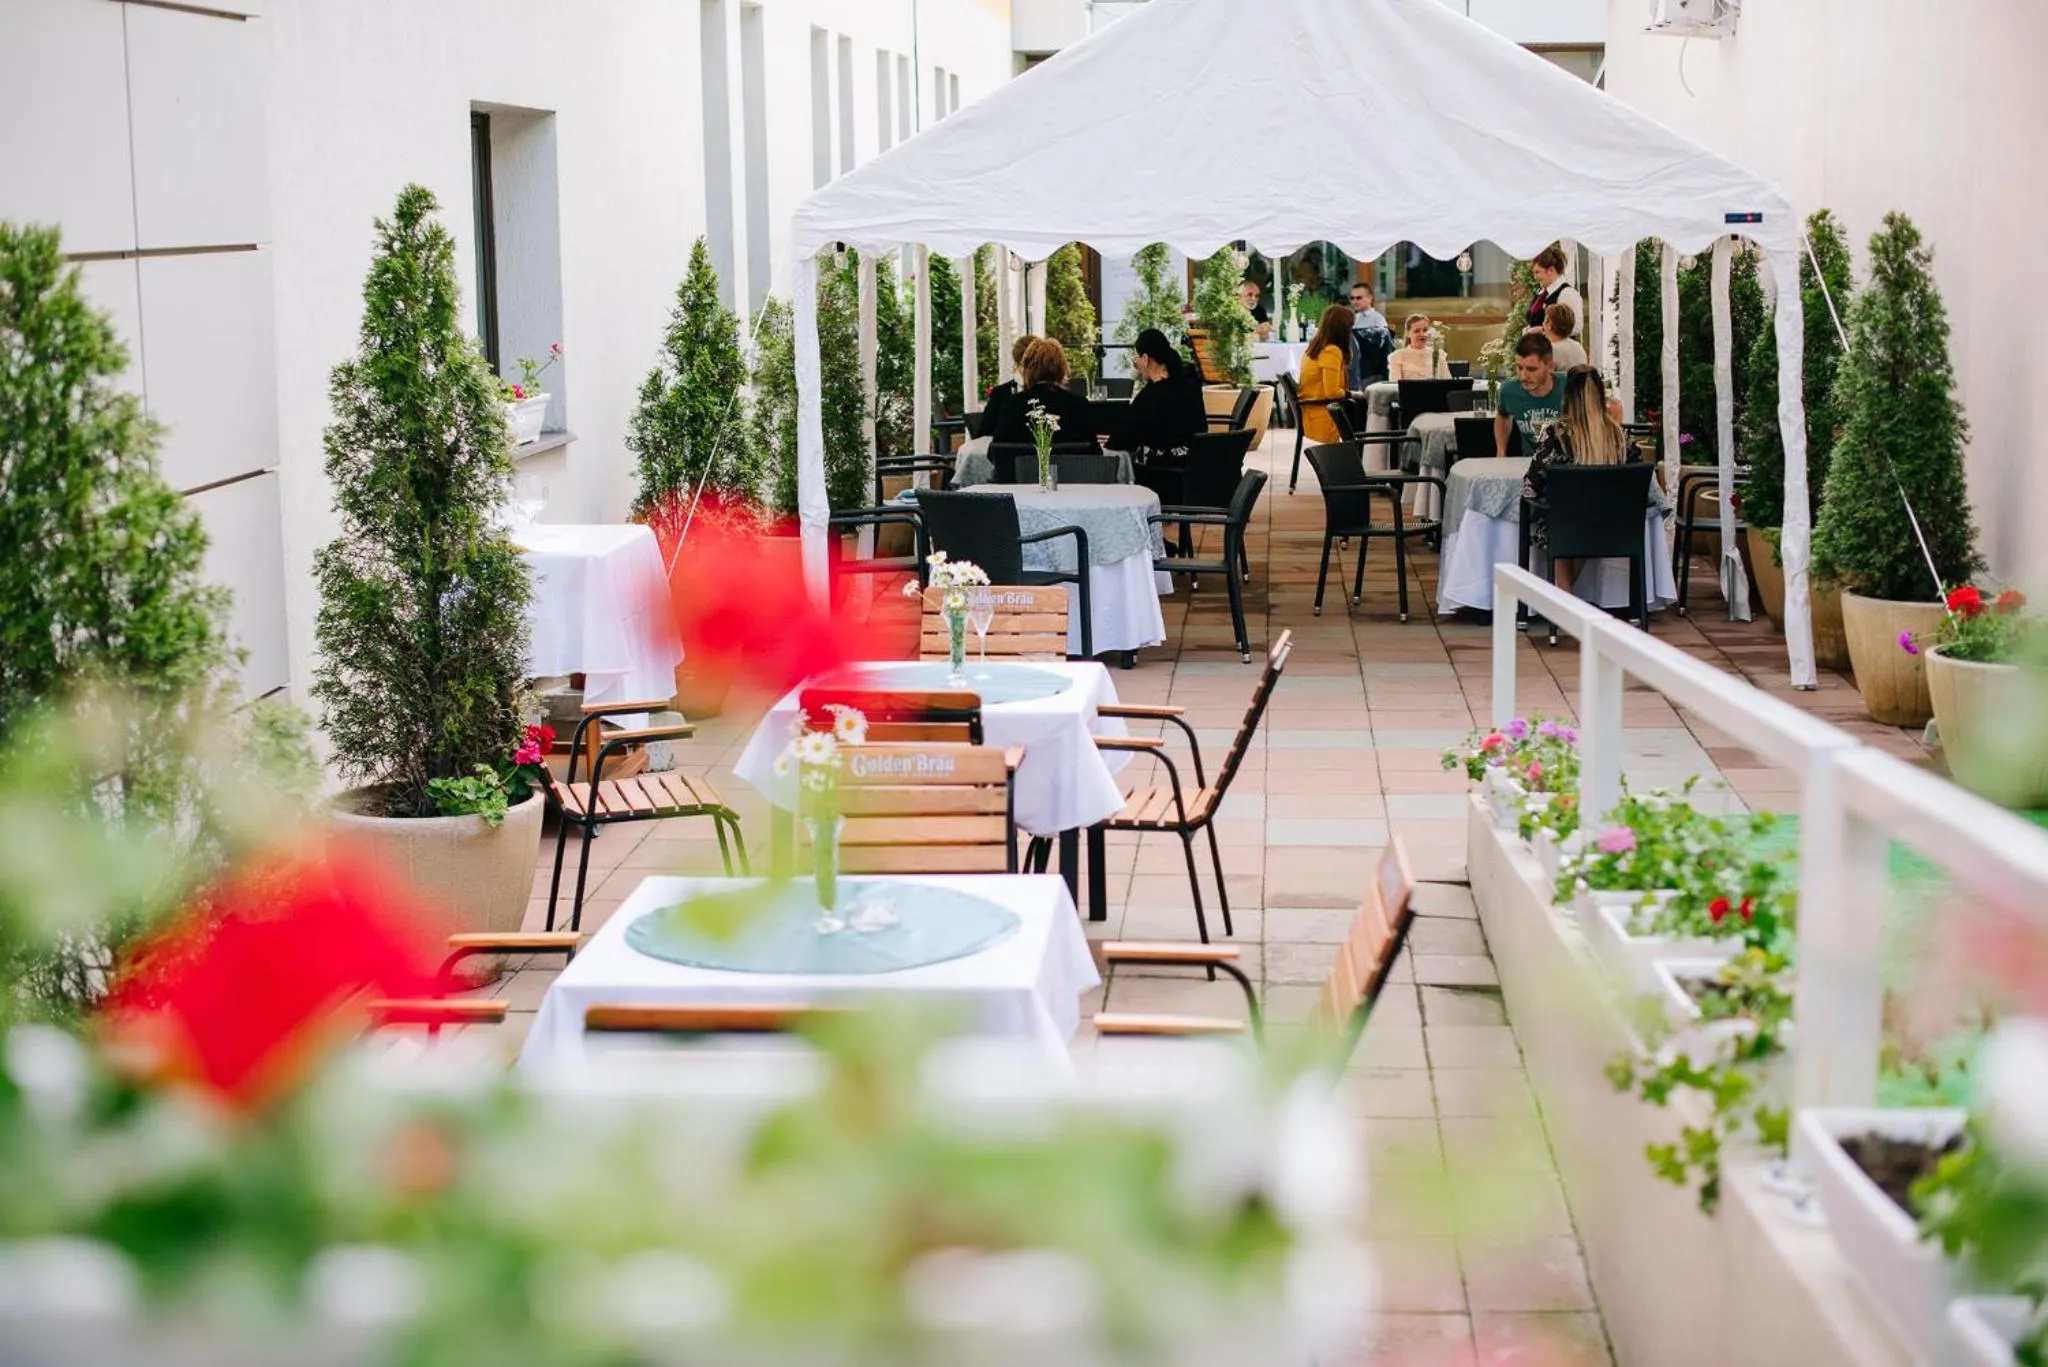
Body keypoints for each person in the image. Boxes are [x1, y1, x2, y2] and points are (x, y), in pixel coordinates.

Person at [1523, 367, 1632, 589]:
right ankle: (1565, 598)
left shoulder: (1558, 435)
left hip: (1567, 525)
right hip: (1616, 525)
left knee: (1560, 518)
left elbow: (1531, 485)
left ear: (1567, 396)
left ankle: (1563, 599)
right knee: (1581, 521)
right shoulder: (1620, 437)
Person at [989, 337, 1099, 451]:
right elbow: (1094, 453)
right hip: (1068, 469)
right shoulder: (1078, 405)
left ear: (1026, 368)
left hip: (1024, 469)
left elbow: (995, 452)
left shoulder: (1011, 405)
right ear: (1062, 368)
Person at [1109, 328, 1206, 455]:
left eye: (1136, 358)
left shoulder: (1150, 395)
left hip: (1162, 469)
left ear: (1145, 358)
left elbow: (1120, 440)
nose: (1136, 364)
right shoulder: (1191, 386)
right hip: (1195, 462)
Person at [1495, 332, 1566, 458]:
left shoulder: (1570, 385)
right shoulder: (1508, 390)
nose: (1523, 376)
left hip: (1568, 464)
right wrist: (1501, 451)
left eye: (1532, 369)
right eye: (1519, 368)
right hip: (1528, 463)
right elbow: (1502, 416)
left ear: (1550, 366)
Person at [1295, 304, 1355, 446]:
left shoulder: (1314, 347)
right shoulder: (1331, 351)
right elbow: (1332, 392)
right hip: (1325, 414)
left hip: (1311, 412)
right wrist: (1351, 394)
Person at [974, 334, 1039, 438]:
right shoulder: (1001, 394)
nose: (1031, 371)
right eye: (1026, 365)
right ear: (1017, 365)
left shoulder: (1053, 393)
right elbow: (984, 434)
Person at [1523, 244, 1585, 337]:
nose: (1535, 277)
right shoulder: (1541, 294)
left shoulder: (1567, 293)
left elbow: (1576, 327)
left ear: (1551, 270)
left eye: (1537, 272)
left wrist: (1543, 330)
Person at [1347, 281, 1395, 387]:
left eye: (1359, 298)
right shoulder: (1350, 317)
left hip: (1371, 371)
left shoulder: (1377, 319)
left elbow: (1382, 348)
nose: (1355, 301)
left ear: (1370, 298)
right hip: (1354, 367)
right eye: (1352, 298)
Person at [1387, 313, 1453, 382]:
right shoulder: (1397, 356)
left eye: (1425, 330)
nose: (1422, 334)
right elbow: (1395, 386)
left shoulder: (1439, 354)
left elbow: (1448, 383)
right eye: (1417, 331)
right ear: (1408, 333)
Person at [1543, 303, 1588, 371]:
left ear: (1549, 324)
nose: (1543, 323)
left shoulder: (1551, 351)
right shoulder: (1578, 346)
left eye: (1545, 319)